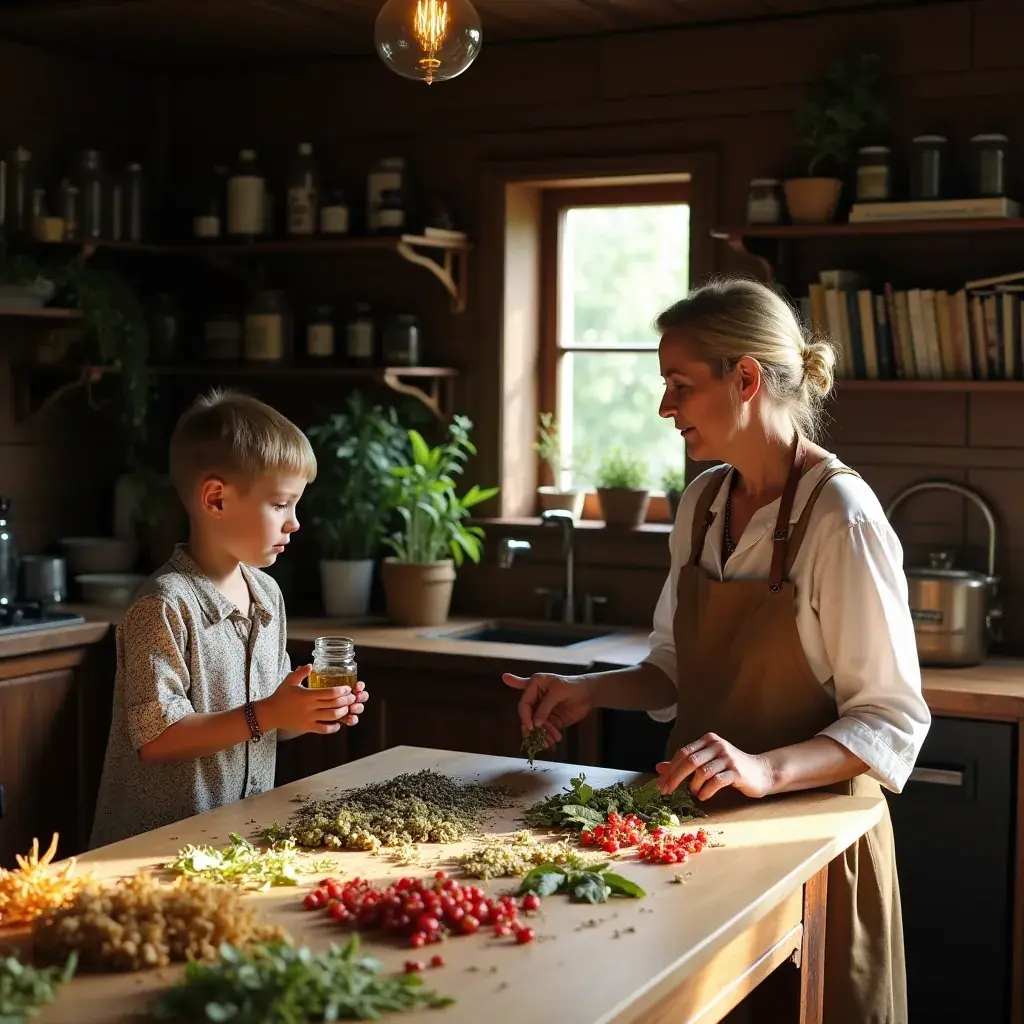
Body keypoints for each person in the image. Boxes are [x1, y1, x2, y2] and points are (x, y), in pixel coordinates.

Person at [504, 277, 930, 1024]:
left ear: (746, 378)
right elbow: (673, 668)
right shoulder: (701, 504)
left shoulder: (842, 518)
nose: (665, 408)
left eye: (679, 385)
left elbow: (891, 721)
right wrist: (591, 690)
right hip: (695, 838)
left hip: (813, 850)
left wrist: (764, 769)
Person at [90, 390, 368, 849]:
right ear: (215, 500)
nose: (295, 522)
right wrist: (271, 712)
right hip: (153, 849)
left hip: (236, 840)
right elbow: (158, 739)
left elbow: (269, 717)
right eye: (281, 504)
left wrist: (309, 711)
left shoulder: (266, 595)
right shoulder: (163, 606)